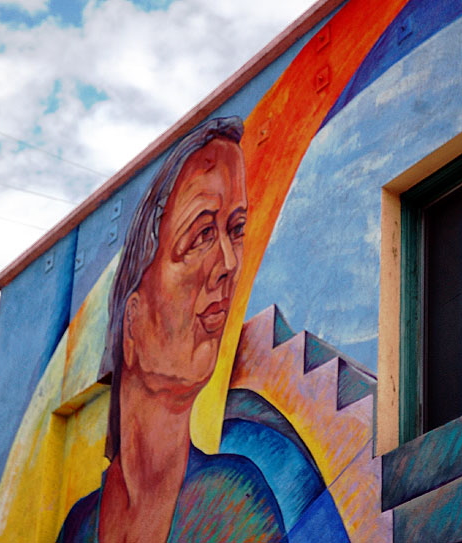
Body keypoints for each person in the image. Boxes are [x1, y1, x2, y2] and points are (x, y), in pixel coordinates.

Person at [57, 116, 287, 543]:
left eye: (235, 230)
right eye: (201, 234)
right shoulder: (76, 528)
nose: (229, 264)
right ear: (132, 322)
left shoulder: (233, 502)